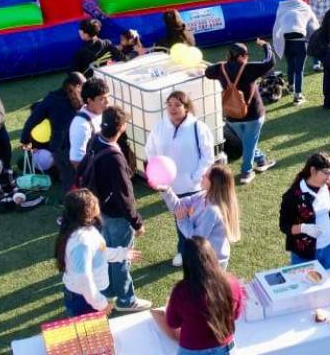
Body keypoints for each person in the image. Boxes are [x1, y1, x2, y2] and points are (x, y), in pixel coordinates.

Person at [76, 106, 152, 312]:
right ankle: (126, 300)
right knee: (121, 257)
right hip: (116, 216)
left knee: (105, 253)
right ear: (122, 128)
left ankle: (107, 290)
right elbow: (124, 196)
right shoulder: (116, 158)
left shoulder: (95, 140)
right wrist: (137, 222)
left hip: (98, 212)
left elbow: (82, 168)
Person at [147, 90, 217, 266]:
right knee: (180, 220)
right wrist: (156, 174)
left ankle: (197, 253)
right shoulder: (159, 127)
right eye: (169, 104)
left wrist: (195, 177)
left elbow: (208, 156)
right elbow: (151, 151)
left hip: (193, 187)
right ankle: (184, 251)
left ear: (186, 107)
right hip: (170, 188)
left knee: (196, 221)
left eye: (177, 105)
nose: (173, 108)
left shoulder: (198, 127)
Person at [151, 236, 245, 355]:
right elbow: (236, 315)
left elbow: (172, 322)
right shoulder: (232, 282)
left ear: (186, 262)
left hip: (192, 349)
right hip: (226, 347)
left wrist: (169, 305)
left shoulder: (181, 291)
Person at [55, 189, 141, 317]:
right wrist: (101, 304)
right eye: (94, 203)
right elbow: (84, 279)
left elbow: (98, 251)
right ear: (86, 211)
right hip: (83, 300)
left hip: (86, 296)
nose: (97, 203)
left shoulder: (85, 230)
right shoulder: (82, 242)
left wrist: (122, 254)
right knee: (88, 334)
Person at [204, 40, 276, 185]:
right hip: (253, 115)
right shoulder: (249, 68)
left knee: (247, 142)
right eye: (246, 55)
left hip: (231, 116)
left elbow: (207, 72)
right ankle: (247, 172)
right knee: (249, 143)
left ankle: (261, 160)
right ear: (241, 56)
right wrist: (266, 46)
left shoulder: (220, 68)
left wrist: (222, 65)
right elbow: (269, 61)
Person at [157, 163, 241, 268]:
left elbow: (197, 240)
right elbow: (178, 206)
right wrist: (166, 190)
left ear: (214, 183)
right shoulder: (203, 195)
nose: (202, 176)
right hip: (204, 256)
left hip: (213, 262)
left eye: (206, 176)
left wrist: (182, 221)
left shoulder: (212, 211)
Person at [20, 72, 86, 196]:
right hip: (69, 147)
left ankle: (72, 203)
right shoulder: (74, 100)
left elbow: (32, 119)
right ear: (77, 87)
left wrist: (24, 139)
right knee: (79, 179)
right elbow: (33, 120)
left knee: (70, 180)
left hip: (60, 147)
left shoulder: (52, 99)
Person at [279, 152, 330, 268]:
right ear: (313, 170)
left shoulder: (329, 187)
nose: (329, 178)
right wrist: (303, 228)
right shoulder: (293, 195)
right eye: (326, 173)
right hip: (304, 254)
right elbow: (284, 226)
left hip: (328, 248)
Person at [271, 0, 319, 105]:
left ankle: (291, 86)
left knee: (290, 65)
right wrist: (314, 39)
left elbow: (277, 25)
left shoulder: (282, 7)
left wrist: (278, 39)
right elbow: (313, 26)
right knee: (299, 69)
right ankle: (298, 96)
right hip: (300, 42)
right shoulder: (305, 7)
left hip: (286, 41)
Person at [68, 77, 109, 168]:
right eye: (102, 99)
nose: (107, 102)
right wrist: (91, 177)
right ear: (89, 101)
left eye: (108, 97)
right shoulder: (81, 125)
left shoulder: (103, 112)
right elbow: (76, 160)